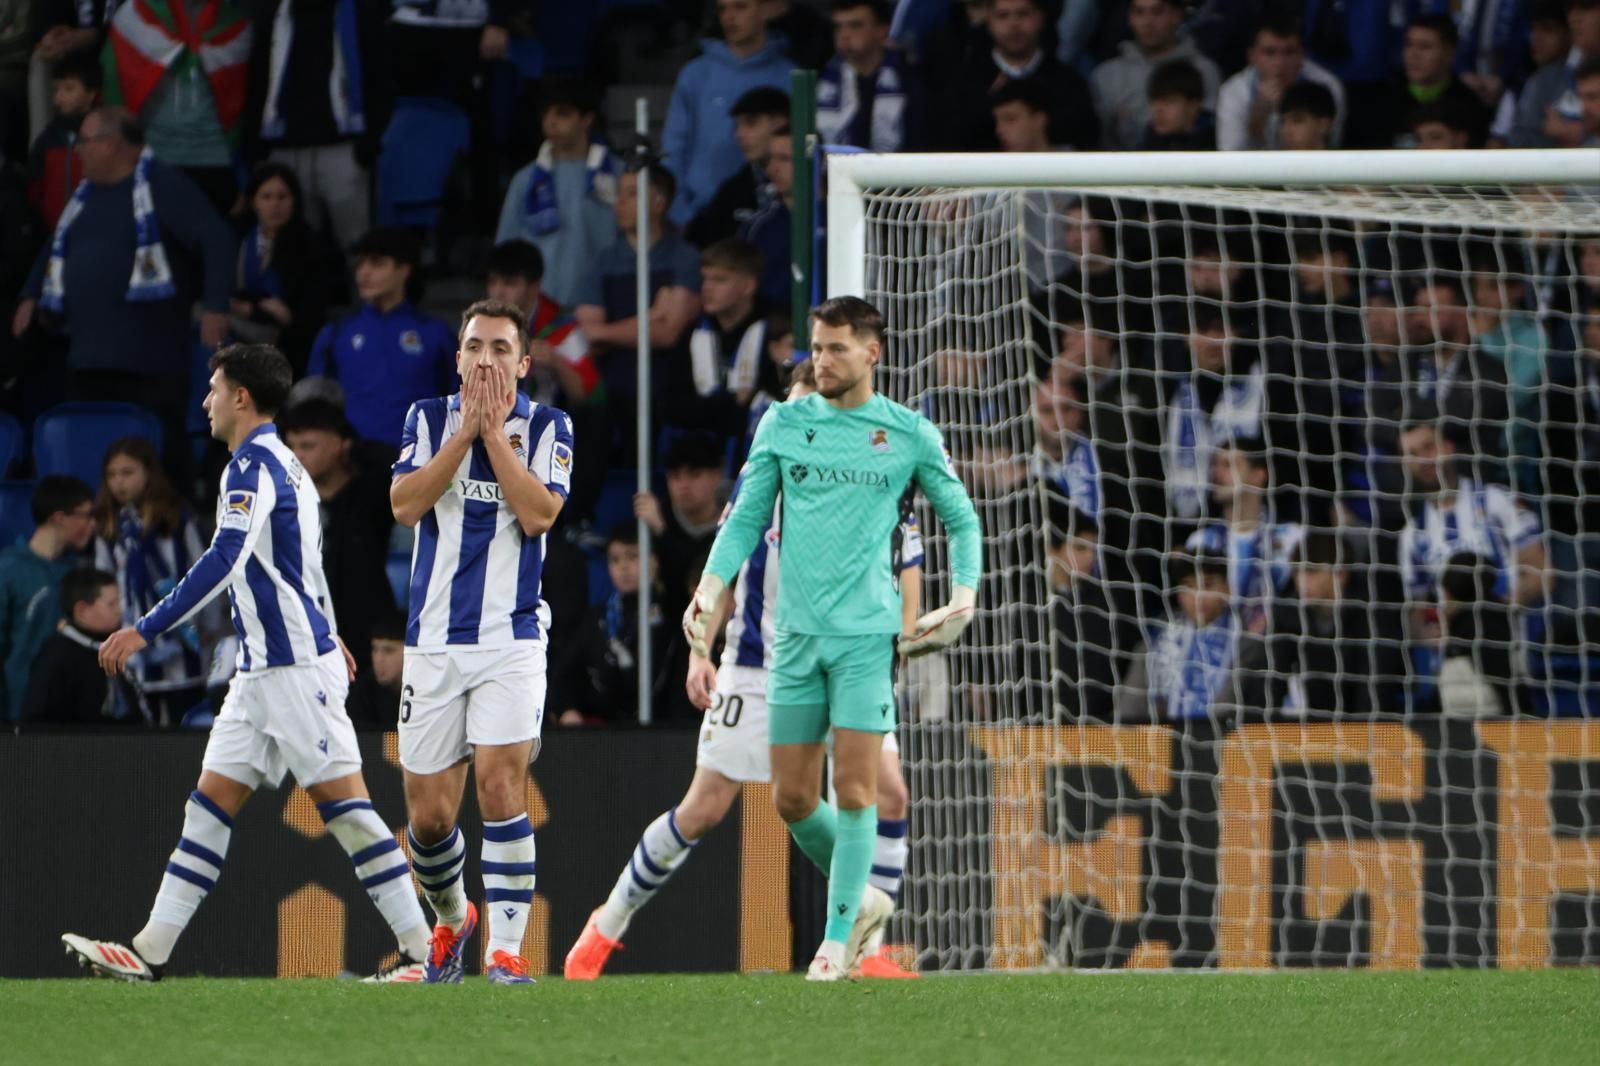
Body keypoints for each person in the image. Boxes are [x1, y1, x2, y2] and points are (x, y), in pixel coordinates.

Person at [61, 344, 435, 983]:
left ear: (240, 397)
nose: (204, 401)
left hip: (290, 669)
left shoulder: (252, 468)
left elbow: (225, 558)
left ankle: (427, 953)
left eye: (213, 389)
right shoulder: (288, 465)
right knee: (207, 807)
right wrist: (332, 630)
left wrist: (146, 628)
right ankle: (149, 952)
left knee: (347, 810)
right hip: (262, 672)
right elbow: (305, 563)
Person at [564, 355, 925, 981]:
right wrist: (702, 650)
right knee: (704, 808)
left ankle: (868, 948)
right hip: (759, 666)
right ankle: (608, 921)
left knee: (889, 790)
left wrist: (908, 633)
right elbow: (722, 574)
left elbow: (906, 570)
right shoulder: (768, 479)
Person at [679, 296, 981, 980]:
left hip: (865, 641)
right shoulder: (783, 424)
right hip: (792, 642)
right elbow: (743, 520)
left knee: (853, 788)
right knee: (790, 797)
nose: (823, 358)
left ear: (872, 353)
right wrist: (710, 588)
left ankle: (836, 942)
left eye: (837, 347)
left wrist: (964, 593)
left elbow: (962, 520)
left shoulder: (906, 433)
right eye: (817, 346)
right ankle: (867, 899)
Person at [389, 299, 574, 986]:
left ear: (523, 363)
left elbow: (540, 515)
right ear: (458, 357)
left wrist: (494, 436)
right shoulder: (424, 419)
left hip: (512, 637)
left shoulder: (550, 426)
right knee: (429, 820)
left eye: (501, 348)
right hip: (434, 643)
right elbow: (406, 506)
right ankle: (453, 919)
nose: (486, 359)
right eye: (474, 347)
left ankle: (506, 952)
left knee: (501, 786)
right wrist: (463, 434)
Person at [13, 107, 235, 475]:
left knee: (156, 455)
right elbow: (57, 245)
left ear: (112, 145)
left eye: (84, 141)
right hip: (87, 355)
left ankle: (173, 525)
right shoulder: (82, 198)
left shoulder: (161, 184)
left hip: (149, 358)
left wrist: (216, 304)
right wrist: (30, 293)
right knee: (97, 456)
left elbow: (216, 238)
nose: (77, 151)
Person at [573, 165, 702, 463]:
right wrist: (652, 315)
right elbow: (588, 336)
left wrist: (608, 333)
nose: (619, 203)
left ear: (659, 203)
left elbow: (669, 334)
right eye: (619, 194)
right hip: (613, 390)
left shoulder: (684, 258)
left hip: (670, 385)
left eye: (632, 194)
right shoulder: (602, 262)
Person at [242, 0, 393, 251]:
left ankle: (364, 292)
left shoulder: (360, 14)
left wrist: (368, 145)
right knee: (289, 248)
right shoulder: (271, 14)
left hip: (343, 150)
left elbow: (381, 81)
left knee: (358, 247)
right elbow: (257, 83)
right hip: (284, 152)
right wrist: (256, 151)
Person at [92, 437, 210, 726]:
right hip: (134, 641)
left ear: (149, 473)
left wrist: (209, 626)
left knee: (188, 718)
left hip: (185, 639)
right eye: (112, 475)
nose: (119, 482)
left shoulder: (178, 519)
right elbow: (106, 577)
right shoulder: (109, 525)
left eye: (128, 473)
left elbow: (203, 572)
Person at [306, 227, 456, 451]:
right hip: (353, 465)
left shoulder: (437, 335)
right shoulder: (336, 333)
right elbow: (315, 406)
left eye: (376, 263)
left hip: (419, 464)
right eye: (360, 264)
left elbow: (459, 404)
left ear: (404, 270)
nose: (363, 273)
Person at [278, 398, 396, 678]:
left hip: (366, 633)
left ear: (341, 443)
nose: (298, 455)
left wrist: (357, 449)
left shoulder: (370, 493)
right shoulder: (287, 502)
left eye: (307, 446)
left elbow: (392, 460)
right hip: (309, 635)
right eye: (292, 446)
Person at [101, 0, 252, 216]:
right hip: (153, 158)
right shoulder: (134, 16)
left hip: (215, 162)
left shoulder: (234, 21)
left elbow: (240, 102)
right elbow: (113, 87)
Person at [661, 0, 792, 226]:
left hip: (773, 217)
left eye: (740, 6)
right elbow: (673, 148)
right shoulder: (695, 74)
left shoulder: (791, 76)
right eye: (723, 9)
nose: (729, 17)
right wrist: (681, 215)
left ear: (766, 9)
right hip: (701, 217)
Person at [495, 79, 623, 307]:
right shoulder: (525, 180)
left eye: (562, 114)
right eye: (546, 114)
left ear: (587, 119)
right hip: (538, 312)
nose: (551, 122)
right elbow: (506, 254)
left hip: (602, 308)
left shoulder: (618, 175)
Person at [1117, 542, 1252, 722]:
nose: (1198, 596)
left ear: (1227, 588)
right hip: (1157, 744)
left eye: (1208, 585)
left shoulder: (1246, 641)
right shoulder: (1157, 638)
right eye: (1189, 586)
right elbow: (1129, 706)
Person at [939, 0, 1097, 151]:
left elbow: (1085, 140)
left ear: (1041, 17)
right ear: (988, 20)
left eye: (1023, 14)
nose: (1013, 24)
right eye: (1003, 15)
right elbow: (950, 141)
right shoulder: (964, 82)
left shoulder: (1068, 82)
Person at [555, 522, 671, 726]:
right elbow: (567, 672)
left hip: (661, 730)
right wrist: (567, 709)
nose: (623, 567)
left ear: (654, 561)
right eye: (615, 560)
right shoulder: (597, 617)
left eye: (633, 556)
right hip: (605, 734)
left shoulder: (671, 611)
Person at [0, 474, 93, 720]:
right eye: (85, 515)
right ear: (59, 518)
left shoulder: (82, 571)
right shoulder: (8, 570)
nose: (92, 524)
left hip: (73, 710)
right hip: (19, 709)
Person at [230, 161, 331, 377]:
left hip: (288, 343)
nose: (275, 205)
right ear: (254, 202)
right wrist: (259, 306)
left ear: (294, 201)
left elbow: (298, 315)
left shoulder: (310, 245)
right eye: (266, 197)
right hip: (239, 330)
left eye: (282, 197)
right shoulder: (238, 238)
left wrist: (250, 307)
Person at [688, 238, 783, 447]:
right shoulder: (692, 331)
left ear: (748, 286)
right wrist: (734, 402)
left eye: (719, 280)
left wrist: (715, 406)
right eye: (705, 279)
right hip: (703, 450)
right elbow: (675, 407)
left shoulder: (777, 330)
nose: (706, 288)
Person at [1091, 0, 1221, 150]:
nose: (1148, 22)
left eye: (1157, 12)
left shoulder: (1204, 71)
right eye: (1139, 12)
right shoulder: (1106, 75)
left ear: (1177, 15)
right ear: (1129, 18)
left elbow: (1207, 134)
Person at [484, 240, 597, 410]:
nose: (497, 292)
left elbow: (586, 395)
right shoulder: (481, 326)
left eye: (509, 283)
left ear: (534, 286)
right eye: (493, 282)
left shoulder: (562, 327)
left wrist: (555, 361)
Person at [1215, 13, 1347, 151]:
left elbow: (1332, 144)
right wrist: (1257, 121)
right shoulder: (1234, 92)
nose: (1280, 63)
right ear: (1252, 57)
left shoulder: (1327, 85)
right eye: (1270, 53)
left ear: (1302, 54)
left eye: (1289, 52)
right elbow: (1229, 156)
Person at [634, 433, 729, 623]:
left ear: (717, 475)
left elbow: (695, 578)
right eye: (675, 477)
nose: (683, 485)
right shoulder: (652, 519)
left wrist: (663, 531)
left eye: (694, 475)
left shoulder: (736, 523)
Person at [685, 86, 789, 248]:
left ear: (781, 123)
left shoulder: (819, 187)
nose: (739, 135)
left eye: (751, 123)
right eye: (737, 126)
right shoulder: (731, 192)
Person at [20, 568, 129, 724]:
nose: (120, 611)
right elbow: (38, 721)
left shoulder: (113, 646)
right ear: (82, 611)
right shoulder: (57, 656)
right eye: (112, 604)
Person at [816, 1, 922, 152]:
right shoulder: (822, 81)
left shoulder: (909, 80)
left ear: (882, 31)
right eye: (838, 27)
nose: (844, 35)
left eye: (855, 25)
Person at [1382, 14, 1493, 149]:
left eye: (1425, 47)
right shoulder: (1383, 103)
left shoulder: (1471, 106)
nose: (1413, 54)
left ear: (1450, 53)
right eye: (1409, 44)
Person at [26, 50, 99, 230]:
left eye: (69, 88)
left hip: (93, 230)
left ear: (91, 93)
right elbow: (35, 189)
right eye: (56, 89)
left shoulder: (103, 137)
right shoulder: (49, 138)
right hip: (53, 231)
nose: (58, 97)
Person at [1512, 0, 1600, 147]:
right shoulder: (1544, 81)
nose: (1574, 18)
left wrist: (1578, 137)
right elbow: (1521, 139)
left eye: (1586, 8)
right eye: (1571, 9)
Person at [738, 122, 795, 308]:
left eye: (784, 159)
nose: (771, 169)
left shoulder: (841, 219)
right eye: (769, 160)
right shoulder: (757, 227)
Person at [346, 611, 404, 729]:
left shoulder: (427, 692)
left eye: (388, 651)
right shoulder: (362, 693)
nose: (378, 659)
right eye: (375, 649)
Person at [1140, 58, 1214, 150]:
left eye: (1169, 101)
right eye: (1154, 101)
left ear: (1193, 106)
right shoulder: (1148, 141)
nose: (1158, 109)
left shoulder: (1215, 141)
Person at [1276, 81, 1337, 150]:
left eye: (1297, 120)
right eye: (1282, 122)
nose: (1286, 131)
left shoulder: (1346, 160)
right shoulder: (1271, 160)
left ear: (1323, 125)